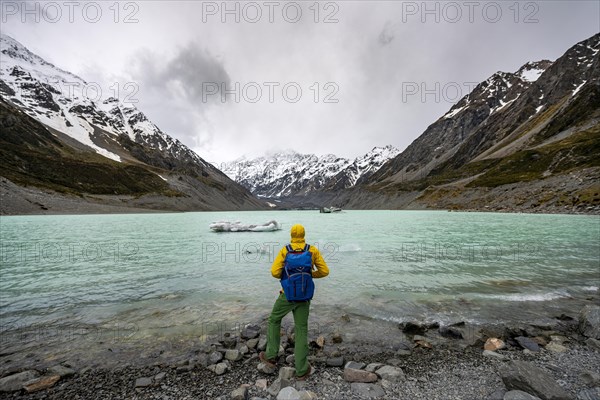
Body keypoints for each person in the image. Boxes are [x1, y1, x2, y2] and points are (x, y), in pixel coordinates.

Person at [259, 224, 329, 380]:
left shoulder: (285, 250)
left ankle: (271, 355)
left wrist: (288, 279)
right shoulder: (312, 250)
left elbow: (274, 272)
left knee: (274, 320)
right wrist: (309, 275)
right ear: (304, 234)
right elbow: (325, 271)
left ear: (291, 234)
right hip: (304, 296)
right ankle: (302, 369)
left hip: (287, 295)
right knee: (301, 329)